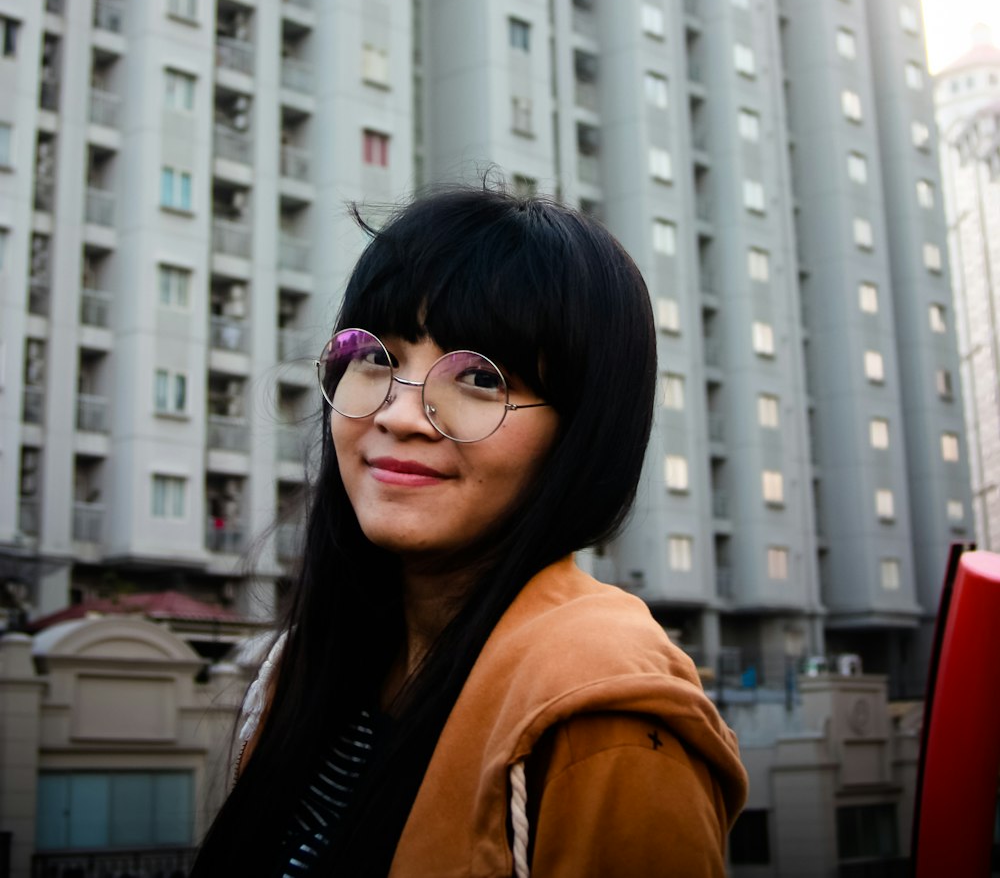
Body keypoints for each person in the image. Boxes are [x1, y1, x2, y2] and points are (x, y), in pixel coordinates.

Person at [192, 186, 747, 877]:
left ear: (580, 433)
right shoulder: (308, 671)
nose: (400, 414)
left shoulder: (604, 714)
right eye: (377, 358)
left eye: (480, 377)